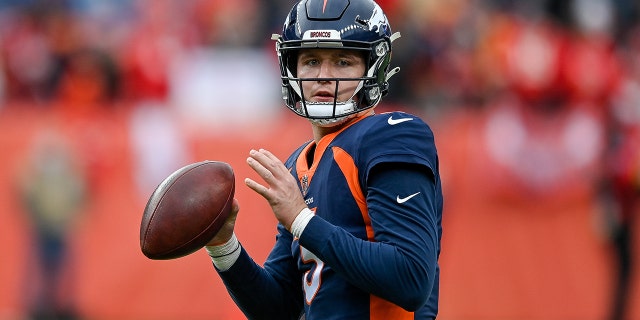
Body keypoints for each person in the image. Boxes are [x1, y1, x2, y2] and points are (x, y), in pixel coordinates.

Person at [204, 0, 443, 319]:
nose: (324, 76)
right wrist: (223, 246)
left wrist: (301, 219)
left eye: (343, 61)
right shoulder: (300, 163)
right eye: (312, 60)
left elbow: (410, 278)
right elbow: (281, 309)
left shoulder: (392, 135)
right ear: (292, 67)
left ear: (373, 65)